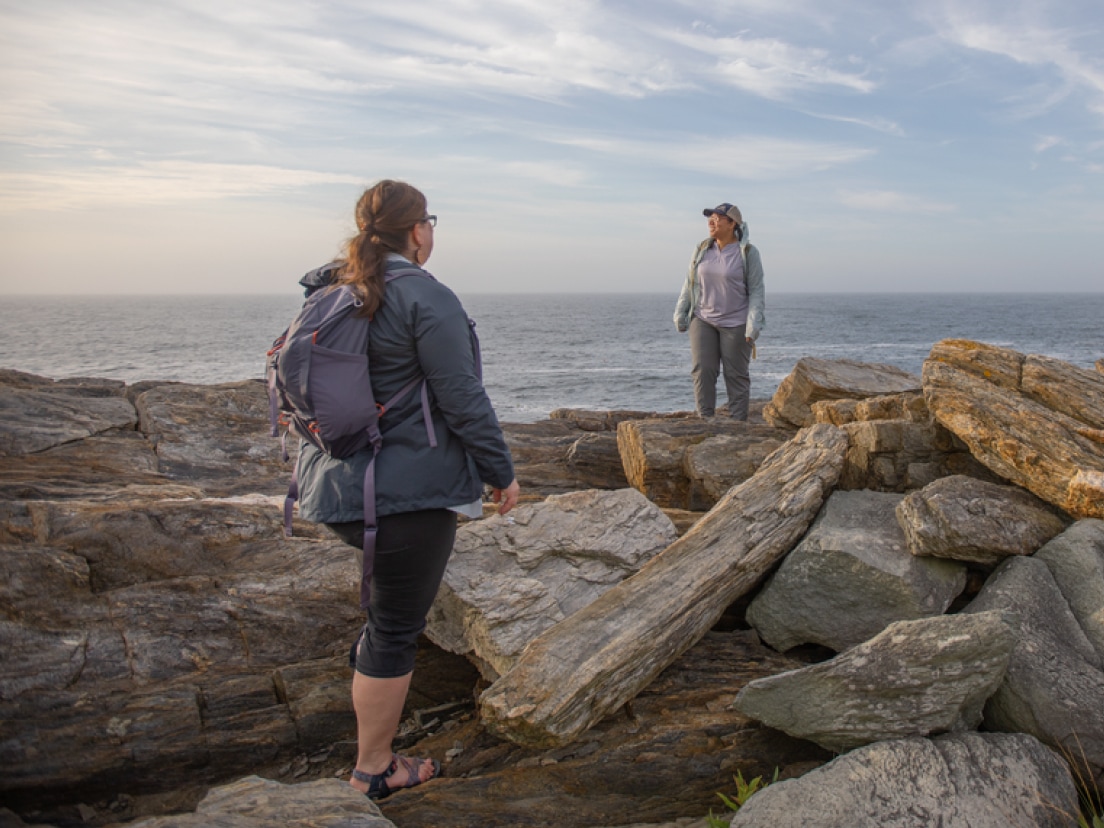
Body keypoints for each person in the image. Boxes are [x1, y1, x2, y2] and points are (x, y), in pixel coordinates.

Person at [293, 179, 520, 800]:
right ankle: (374, 770)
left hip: (334, 486)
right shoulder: (426, 296)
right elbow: (462, 396)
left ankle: (371, 714)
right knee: (395, 628)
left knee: (385, 617)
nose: (432, 232)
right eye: (431, 221)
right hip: (403, 497)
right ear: (417, 230)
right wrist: (501, 471)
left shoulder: (335, 287)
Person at [673, 202, 765, 420]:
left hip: (736, 323)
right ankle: (705, 421)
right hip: (703, 319)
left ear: (732, 223)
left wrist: (753, 326)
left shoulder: (748, 253)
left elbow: (757, 291)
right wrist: (681, 312)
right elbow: (690, 282)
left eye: (717, 218)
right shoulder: (703, 248)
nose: (711, 222)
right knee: (702, 371)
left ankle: (737, 427)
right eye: (709, 218)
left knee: (736, 376)